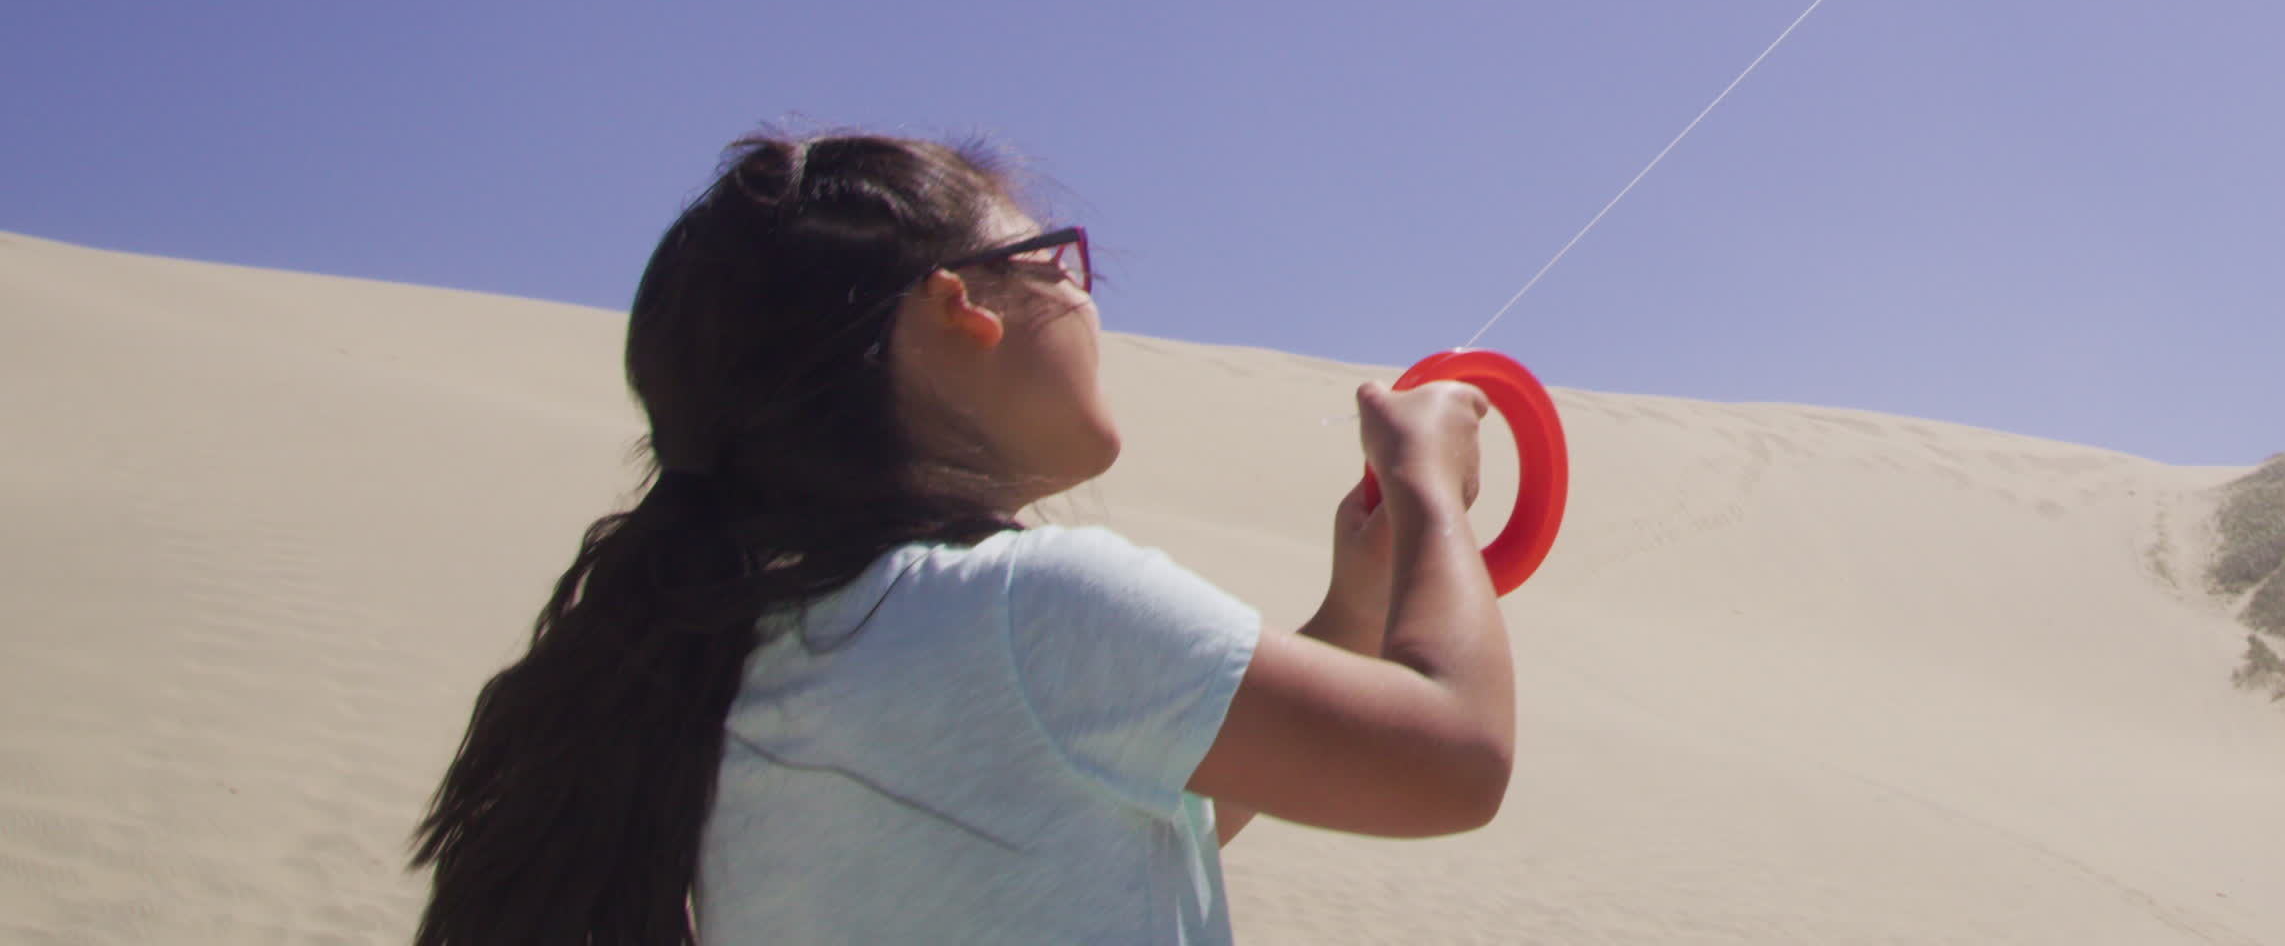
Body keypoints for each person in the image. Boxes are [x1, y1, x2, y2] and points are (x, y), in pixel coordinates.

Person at [410, 132, 1513, 945]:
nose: (1087, 303)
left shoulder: (765, 646)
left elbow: (1099, 819)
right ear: (959, 308)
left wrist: (1354, 606)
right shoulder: (1029, 608)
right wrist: (1429, 494)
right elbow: (1456, 761)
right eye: (1059, 263)